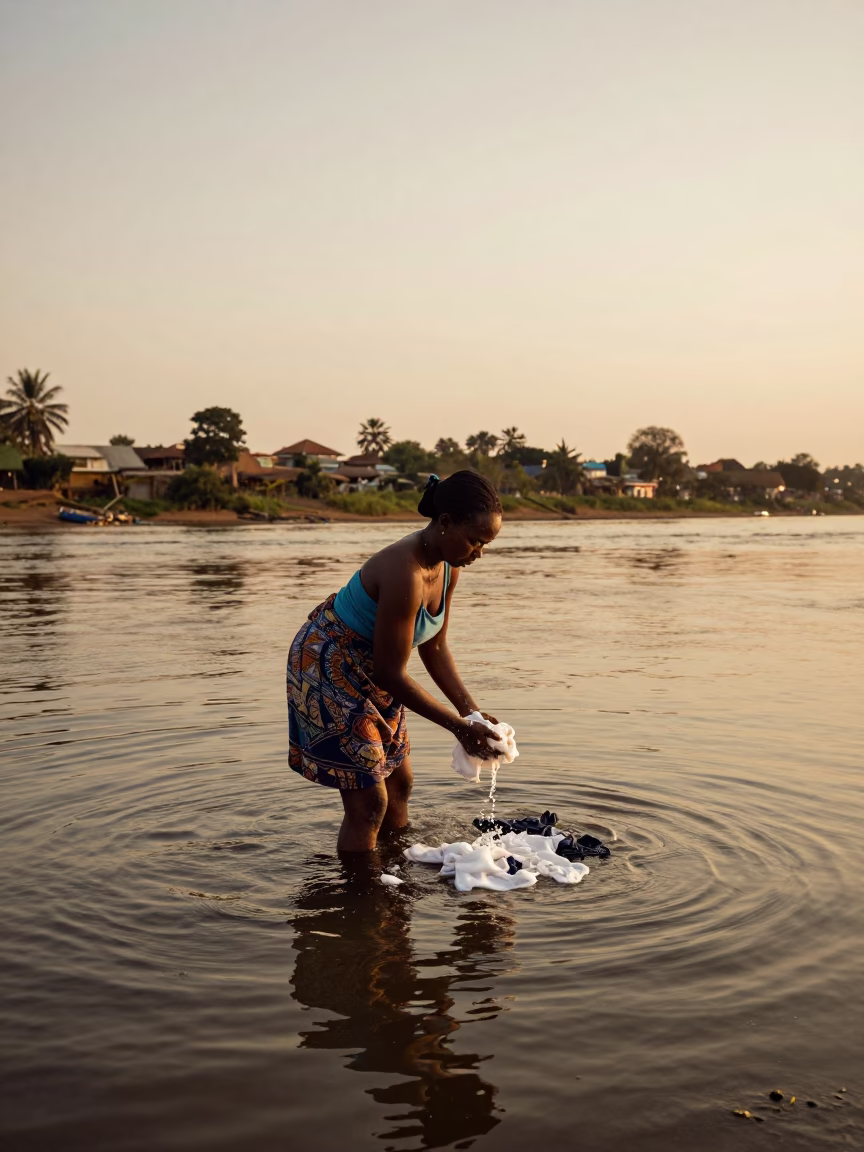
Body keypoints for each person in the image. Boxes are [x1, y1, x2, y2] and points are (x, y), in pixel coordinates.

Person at [286, 470, 503, 851]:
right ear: (445, 522)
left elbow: (434, 647)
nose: (479, 553)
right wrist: (457, 727)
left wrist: (473, 714)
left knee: (400, 784)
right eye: (474, 541)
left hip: (376, 668)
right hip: (329, 665)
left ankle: (395, 869)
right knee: (370, 803)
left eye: (485, 545)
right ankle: (362, 893)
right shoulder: (405, 572)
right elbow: (391, 672)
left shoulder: (449, 569)